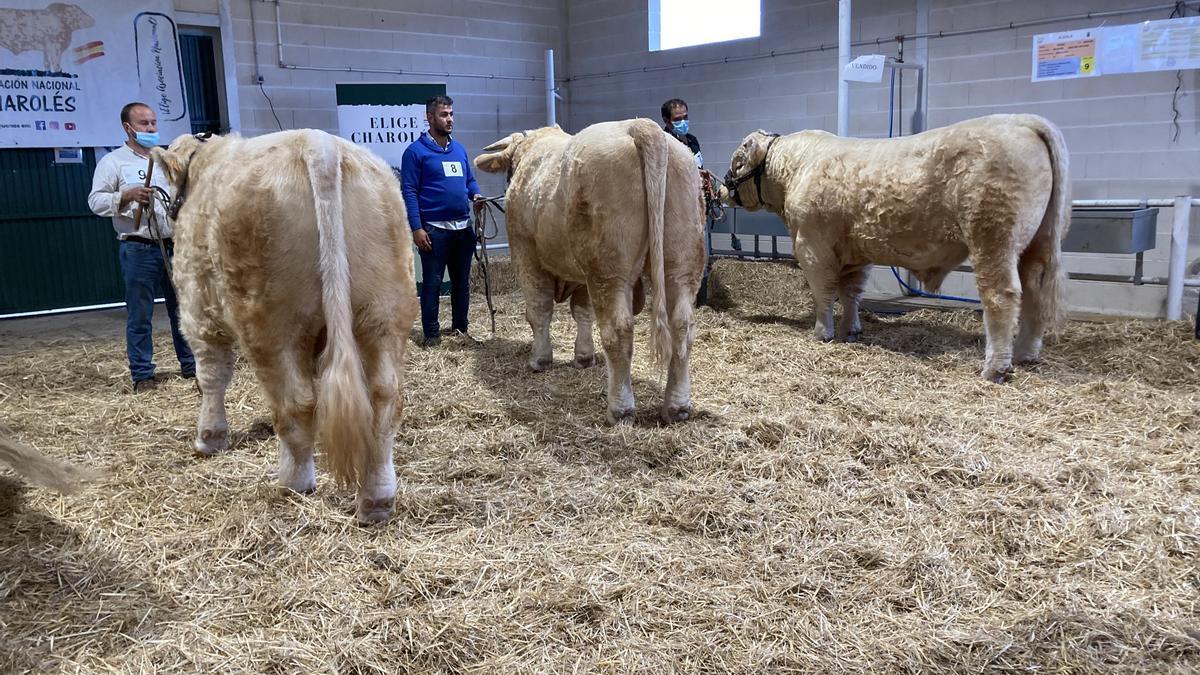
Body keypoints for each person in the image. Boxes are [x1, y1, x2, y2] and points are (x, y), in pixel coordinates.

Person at [87, 101, 194, 392]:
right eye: (144, 124)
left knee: (183, 311)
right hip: (139, 248)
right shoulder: (113, 162)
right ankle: (143, 374)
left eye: (153, 123)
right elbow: (95, 202)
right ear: (128, 127)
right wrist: (127, 196)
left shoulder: (167, 160)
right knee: (140, 314)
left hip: (174, 247)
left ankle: (191, 366)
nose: (151, 129)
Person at [400, 95, 484, 347]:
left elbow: (469, 180)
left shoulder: (458, 149)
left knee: (462, 284)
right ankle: (432, 335)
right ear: (429, 118)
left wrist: (476, 194)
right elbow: (409, 191)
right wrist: (416, 227)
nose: (449, 119)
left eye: (451, 114)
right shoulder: (415, 153)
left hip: (462, 228)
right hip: (434, 231)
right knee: (433, 283)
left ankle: (460, 329)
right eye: (444, 115)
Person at [661, 97, 703, 168]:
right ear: (666, 121)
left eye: (685, 117)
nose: (683, 122)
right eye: (677, 119)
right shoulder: (664, 144)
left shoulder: (692, 140)